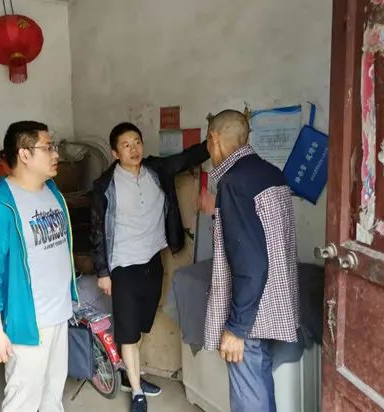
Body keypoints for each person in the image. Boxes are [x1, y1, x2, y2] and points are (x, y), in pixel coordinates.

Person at [90, 122, 210, 412]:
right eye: (126, 145)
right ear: (115, 153)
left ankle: (131, 375)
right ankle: (137, 392)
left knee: (141, 326)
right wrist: (103, 272)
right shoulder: (105, 186)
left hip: (152, 263)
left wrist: (216, 140)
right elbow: (96, 231)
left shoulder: (157, 170)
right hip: (122, 267)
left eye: (137, 142)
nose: (134, 149)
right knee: (128, 333)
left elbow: (188, 158)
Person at [0, 121, 78, 412]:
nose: (56, 154)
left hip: (59, 313)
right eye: (48, 147)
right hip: (28, 319)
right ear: (25, 154)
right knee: (23, 400)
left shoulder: (52, 191)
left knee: (53, 393)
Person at [199, 110, 299, 412]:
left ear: (214, 139)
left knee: (249, 396)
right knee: (260, 383)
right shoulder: (271, 173)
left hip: (251, 315)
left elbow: (251, 264)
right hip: (272, 305)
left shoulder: (234, 182)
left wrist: (236, 327)